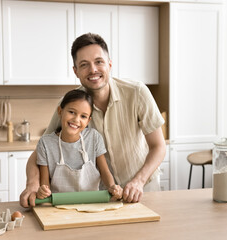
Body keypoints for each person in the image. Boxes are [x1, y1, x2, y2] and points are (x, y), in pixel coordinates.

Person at [20, 33, 166, 207]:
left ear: (109, 64)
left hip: (143, 189)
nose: (93, 70)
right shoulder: (69, 106)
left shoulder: (137, 92)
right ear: (75, 71)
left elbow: (158, 146)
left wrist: (138, 181)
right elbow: (40, 151)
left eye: (99, 62)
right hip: (103, 197)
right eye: (84, 65)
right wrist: (32, 184)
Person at [36, 89, 122, 200]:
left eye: (83, 116)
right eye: (71, 112)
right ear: (60, 111)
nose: (76, 119)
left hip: (92, 203)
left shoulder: (94, 137)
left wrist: (113, 187)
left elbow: (105, 172)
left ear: (88, 121)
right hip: (59, 206)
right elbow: (44, 183)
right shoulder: (45, 143)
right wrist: (43, 191)